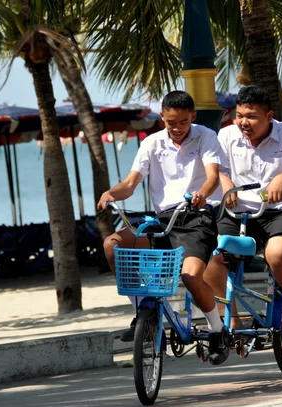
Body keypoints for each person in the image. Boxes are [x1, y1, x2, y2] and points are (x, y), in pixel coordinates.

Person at [97, 90, 230, 365]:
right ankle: (145, 313)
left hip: (196, 218)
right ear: (162, 118)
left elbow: (213, 177)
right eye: (171, 122)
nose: (177, 128)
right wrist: (112, 193)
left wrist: (203, 193)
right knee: (113, 245)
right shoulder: (151, 143)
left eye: (183, 122)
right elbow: (131, 184)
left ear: (192, 117)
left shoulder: (206, 136)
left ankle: (218, 330)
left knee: (191, 277)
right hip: (163, 221)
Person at [204, 86, 282, 343]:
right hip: (239, 212)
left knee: (277, 253)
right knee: (211, 258)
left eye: (251, 116)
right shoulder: (226, 135)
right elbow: (218, 170)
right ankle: (230, 319)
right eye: (239, 115)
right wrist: (226, 183)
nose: (244, 122)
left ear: (269, 116)